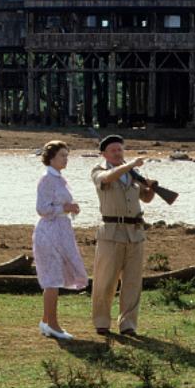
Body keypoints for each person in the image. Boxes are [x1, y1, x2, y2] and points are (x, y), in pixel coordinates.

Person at [90, 134, 156, 336]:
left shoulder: (133, 175)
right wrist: (131, 166)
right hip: (111, 232)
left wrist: (151, 188)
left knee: (133, 282)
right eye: (113, 150)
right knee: (105, 280)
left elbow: (146, 198)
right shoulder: (98, 171)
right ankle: (102, 322)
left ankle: (128, 325)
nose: (118, 153)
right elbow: (109, 178)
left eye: (120, 149)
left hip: (135, 233)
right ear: (104, 154)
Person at [33, 140, 88, 340]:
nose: (66, 159)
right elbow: (42, 209)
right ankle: (53, 324)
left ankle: (47, 321)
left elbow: (59, 204)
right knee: (52, 278)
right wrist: (64, 208)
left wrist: (70, 207)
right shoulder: (47, 179)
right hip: (50, 232)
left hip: (61, 230)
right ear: (52, 158)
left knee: (56, 275)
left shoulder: (60, 179)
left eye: (67, 155)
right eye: (62, 156)